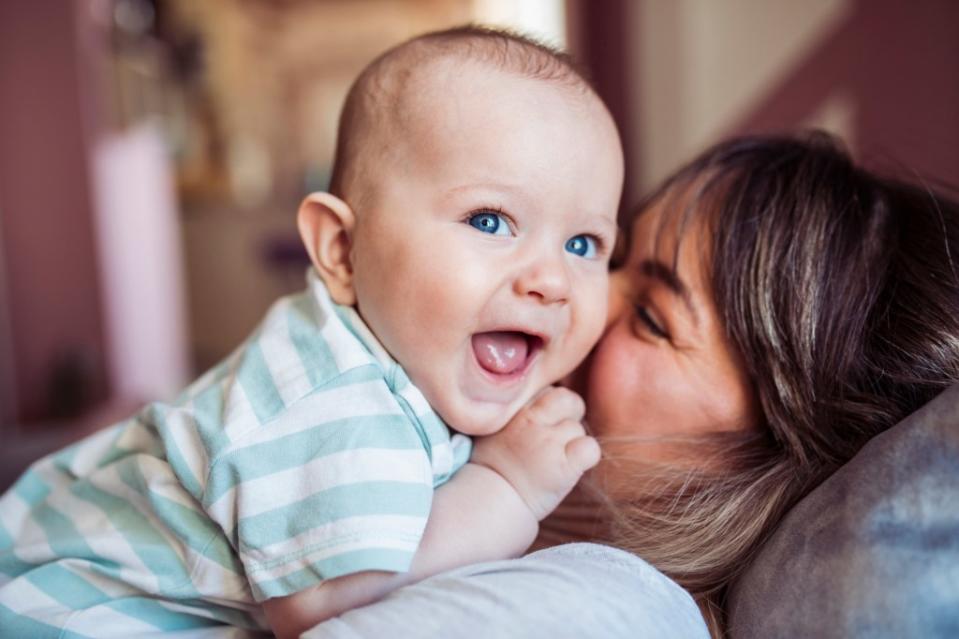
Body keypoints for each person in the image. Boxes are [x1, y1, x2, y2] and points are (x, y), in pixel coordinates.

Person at [0, 26, 623, 638]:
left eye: (582, 242)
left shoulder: (407, 356)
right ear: (342, 249)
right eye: (490, 220)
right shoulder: (335, 394)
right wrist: (505, 486)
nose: (553, 280)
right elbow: (330, 604)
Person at [305, 131, 959, 639]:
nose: (577, 304)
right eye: (605, 257)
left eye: (650, 316)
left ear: (783, 454)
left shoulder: (603, 612)